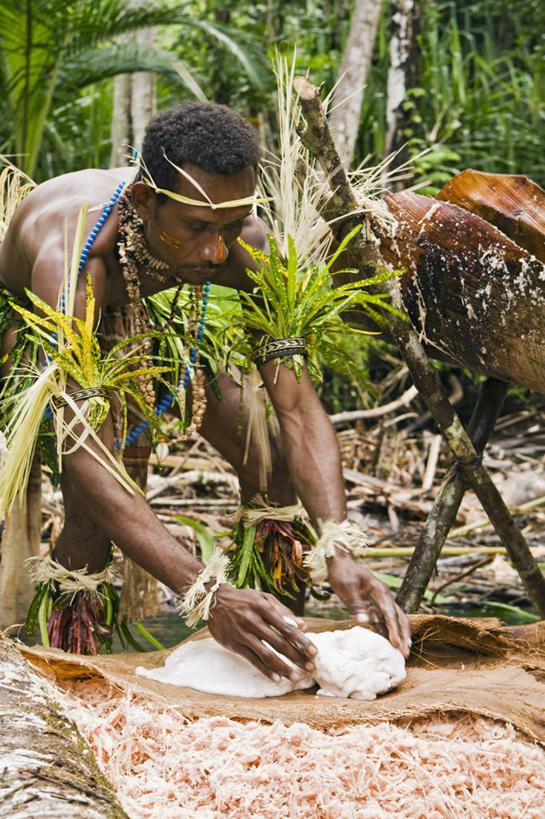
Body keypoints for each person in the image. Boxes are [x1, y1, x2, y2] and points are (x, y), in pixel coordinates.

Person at [0, 102, 410, 675]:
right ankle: (65, 686)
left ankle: (282, 658)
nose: (217, 252)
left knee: (269, 458)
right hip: (47, 331)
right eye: (196, 227)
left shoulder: (246, 248)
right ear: (145, 203)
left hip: (161, 315)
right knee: (90, 519)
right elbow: (84, 449)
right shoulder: (73, 257)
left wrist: (338, 549)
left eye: (232, 224)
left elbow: (295, 405)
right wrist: (209, 593)